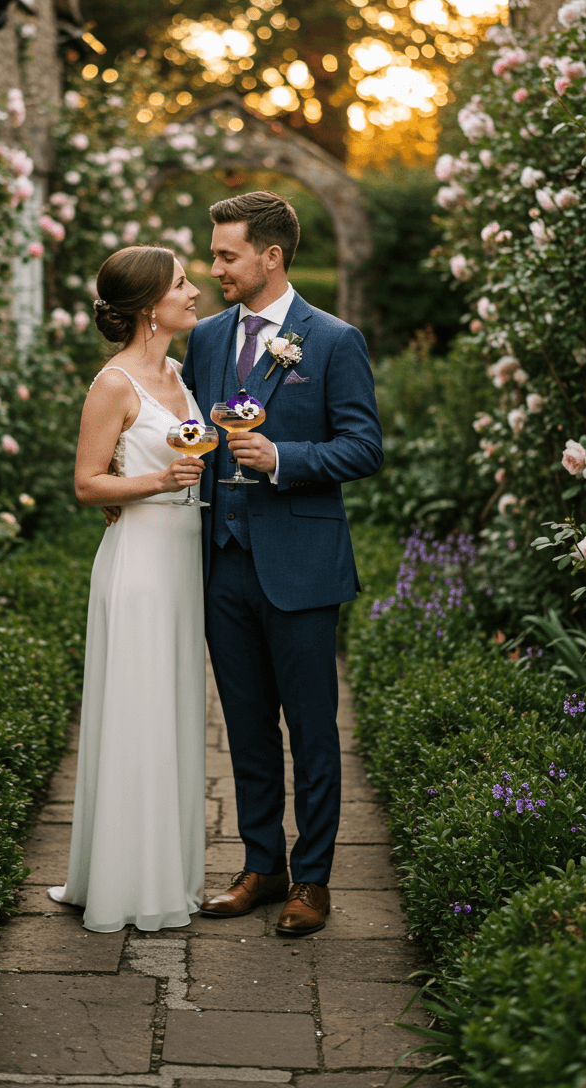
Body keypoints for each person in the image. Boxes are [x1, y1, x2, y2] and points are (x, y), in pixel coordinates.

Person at [182, 191, 383, 936]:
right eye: (213, 254)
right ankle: (261, 866)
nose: (214, 268)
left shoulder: (332, 340)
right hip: (222, 562)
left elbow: (364, 447)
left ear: (271, 256)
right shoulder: (207, 338)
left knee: (312, 730)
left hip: (300, 565)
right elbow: (188, 430)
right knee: (245, 727)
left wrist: (282, 458)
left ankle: (314, 881)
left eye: (226, 255)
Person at [48, 245, 208, 933]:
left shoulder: (178, 372)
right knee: (138, 712)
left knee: (173, 710)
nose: (195, 291)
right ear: (150, 308)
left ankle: (166, 870)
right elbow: (88, 484)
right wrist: (156, 482)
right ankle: (125, 882)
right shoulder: (113, 384)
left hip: (183, 563)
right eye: (182, 283)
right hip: (140, 563)